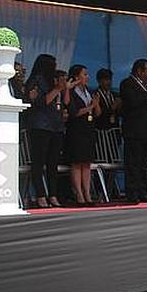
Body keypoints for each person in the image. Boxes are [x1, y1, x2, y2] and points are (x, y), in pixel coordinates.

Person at [25, 54, 66, 208]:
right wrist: (56, 89)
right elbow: (40, 102)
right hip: (40, 126)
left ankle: (53, 194)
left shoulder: (52, 81)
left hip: (55, 125)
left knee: (53, 163)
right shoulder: (35, 81)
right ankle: (40, 195)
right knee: (39, 162)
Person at [119, 59, 147, 203]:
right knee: (133, 163)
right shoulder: (127, 84)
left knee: (144, 164)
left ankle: (143, 190)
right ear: (139, 71)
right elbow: (133, 102)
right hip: (134, 131)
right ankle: (132, 193)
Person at [65, 65, 101, 205]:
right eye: (84, 74)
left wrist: (95, 104)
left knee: (86, 163)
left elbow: (97, 113)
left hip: (88, 130)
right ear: (76, 76)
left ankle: (87, 193)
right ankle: (79, 194)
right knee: (77, 163)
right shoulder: (72, 92)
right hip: (76, 130)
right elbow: (74, 112)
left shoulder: (88, 91)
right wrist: (90, 107)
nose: (87, 77)